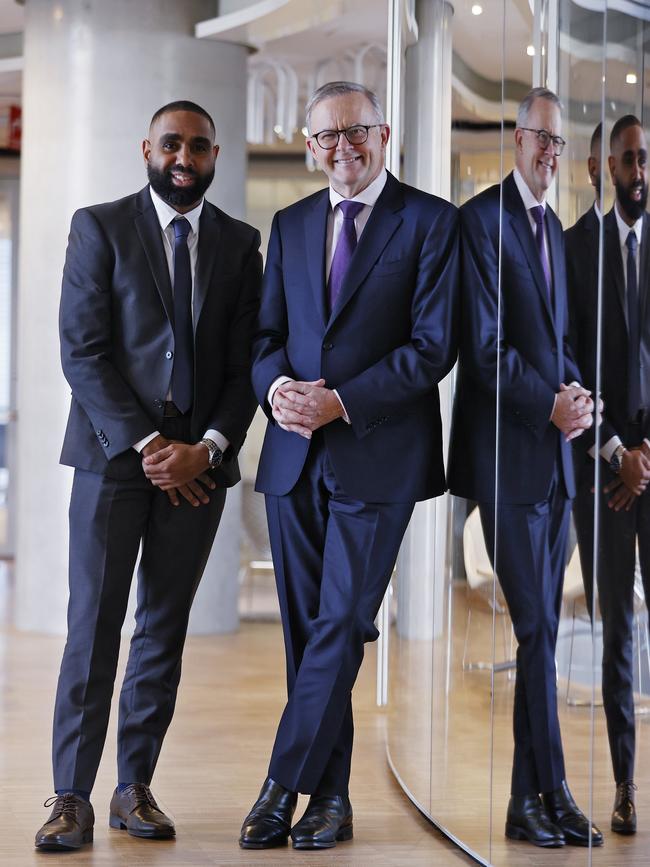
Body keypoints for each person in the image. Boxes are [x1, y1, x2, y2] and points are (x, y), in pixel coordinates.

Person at [34, 100, 261, 851]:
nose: (184, 157)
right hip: (112, 463)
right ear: (147, 148)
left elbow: (242, 368)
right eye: (172, 143)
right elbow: (82, 351)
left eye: (199, 145)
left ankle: (134, 787)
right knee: (93, 628)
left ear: (216, 154)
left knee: (161, 632)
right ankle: (71, 796)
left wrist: (211, 447)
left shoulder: (238, 243)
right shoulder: (99, 226)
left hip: (198, 472)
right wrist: (148, 446)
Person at [239, 80, 458, 851]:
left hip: (379, 457)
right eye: (326, 137)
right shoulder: (292, 223)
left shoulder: (431, 221)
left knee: (343, 621)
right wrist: (278, 389)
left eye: (355, 131)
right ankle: (331, 800)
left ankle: (278, 784)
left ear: (384, 132)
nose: (342, 147)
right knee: (307, 633)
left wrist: (343, 401)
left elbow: (434, 347)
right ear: (310, 145)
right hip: (294, 457)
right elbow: (264, 339)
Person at [448, 87, 603, 849]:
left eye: (559, 145)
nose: (550, 154)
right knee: (539, 625)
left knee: (540, 636)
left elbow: (560, 341)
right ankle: (557, 790)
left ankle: (527, 802)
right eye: (542, 140)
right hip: (506, 460)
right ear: (517, 139)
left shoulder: (555, 233)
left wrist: (577, 399)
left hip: (557, 465)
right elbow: (482, 350)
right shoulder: (482, 221)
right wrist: (548, 405)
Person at [567, 114, 650, 835]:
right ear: (598, 170)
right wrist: (616, 450)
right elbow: (568, 364)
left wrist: (645, 456)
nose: (638, 171)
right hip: (602, 476)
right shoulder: (570, 253)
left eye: (645, 158)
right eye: (626, 160)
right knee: (617, 636)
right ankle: (625, 786)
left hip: (646, 468)